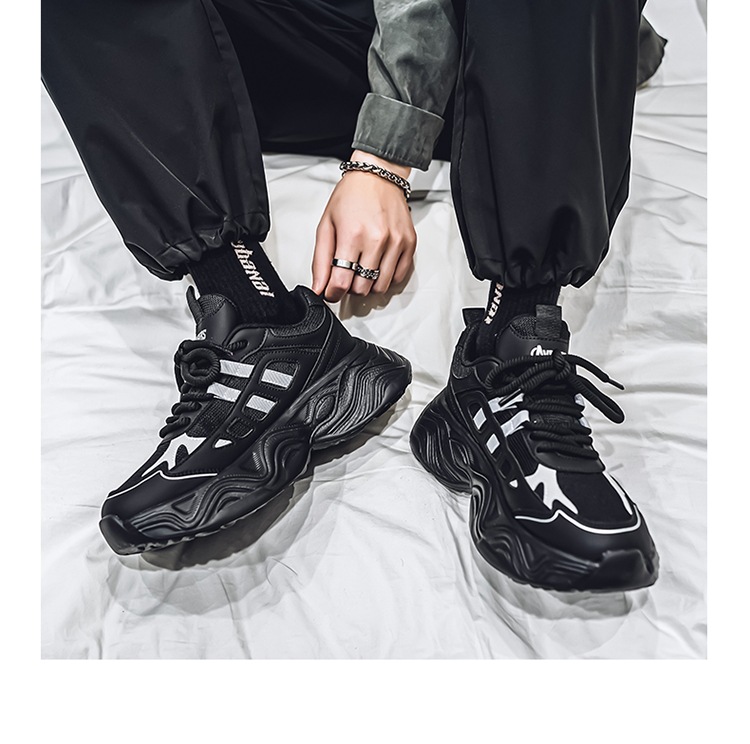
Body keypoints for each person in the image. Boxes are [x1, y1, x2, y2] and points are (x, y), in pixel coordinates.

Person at [41, 0, 665, 592]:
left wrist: (383, 157)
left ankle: (516, 342)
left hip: (504, 55)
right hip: (278, 60)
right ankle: (260, 321)